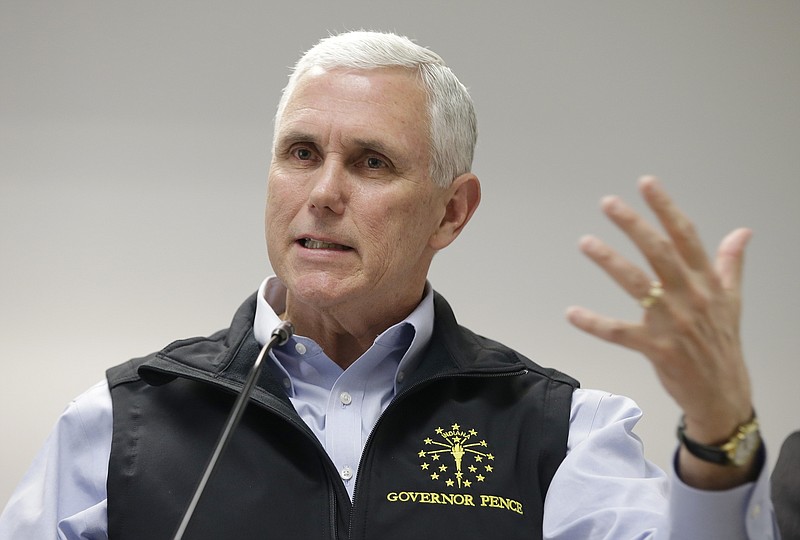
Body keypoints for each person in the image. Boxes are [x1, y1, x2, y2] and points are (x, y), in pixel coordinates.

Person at [0, 30, 778, 539]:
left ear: (451, 212)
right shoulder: (121, 421)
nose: (324, 192)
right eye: (301, 153)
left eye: (372, 163)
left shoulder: (559, 431)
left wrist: (718, 436)